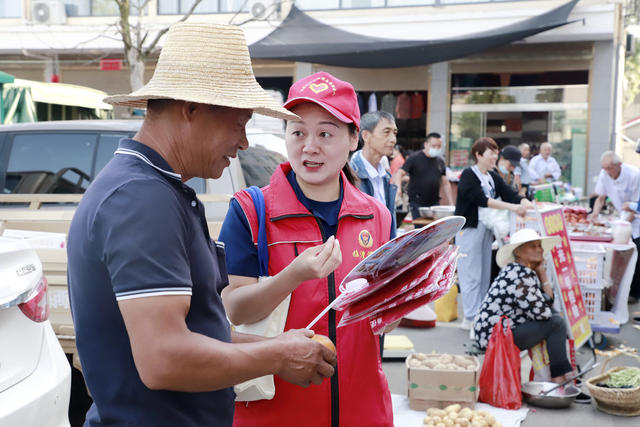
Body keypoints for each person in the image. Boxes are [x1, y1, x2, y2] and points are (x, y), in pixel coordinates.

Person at [66, 24, 336, 426]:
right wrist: (277, 355)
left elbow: (199, 330)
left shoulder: (156, 188)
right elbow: (164, 358)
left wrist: (276, 346)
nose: (244, 142)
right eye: (238, 122)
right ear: (190, 108)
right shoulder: (141, 197)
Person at [219, 71, 394, 427]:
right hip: (273, 413)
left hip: (363, 410)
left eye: (326, 133)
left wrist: (412, 290)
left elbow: (384, 320)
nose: (309, 146)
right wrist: (294, 275)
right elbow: (233, 309)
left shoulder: (377, 216)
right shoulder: (252, 211)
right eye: (298, 132)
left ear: (353, 139)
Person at [473, 229, 574, 384]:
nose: (539, 250)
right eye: (532, 247)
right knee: (556, 323)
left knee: (554, 317)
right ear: (518, 252)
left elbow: (547, 302)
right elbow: (543, 314)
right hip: (494, 337)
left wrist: (542, 273)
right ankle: (559, 378)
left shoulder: (518, 270)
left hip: (495, 331)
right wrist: (542, 275)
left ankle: (560, 374)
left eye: (539, 246)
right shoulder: (520, 275)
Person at [454, 137, 532, 329]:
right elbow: (481, 200)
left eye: (496, 153)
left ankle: (480, 314)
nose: (494, 157)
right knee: (470, 272)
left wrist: (523, 202)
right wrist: (514, 207)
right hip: (469, 229)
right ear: (478, 155)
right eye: (491, 153)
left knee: (483, 273)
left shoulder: (492, 176)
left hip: (486, 230)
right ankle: (470, 317)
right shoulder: (468, 175)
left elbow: (509, 193)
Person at [593, 151, 640, 303]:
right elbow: (601, 198)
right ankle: (616, 291)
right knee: (619, 256)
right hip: (622, 218)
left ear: (619, 165)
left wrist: (625, 224)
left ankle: (634, 293)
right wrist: (594, 214)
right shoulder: (604, 174)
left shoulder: (634, 175)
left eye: (610, 168)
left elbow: (636, 206)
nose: (607, 172)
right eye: (604, 168)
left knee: (636, 255)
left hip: (636, 218)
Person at [350, 110, 399, 235]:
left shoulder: (385, 177)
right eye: (386, 132)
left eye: (395, 133)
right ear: (366, 136)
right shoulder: (350, 174)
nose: (393, 139)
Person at [394, 132, 454, 221]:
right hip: (417, 203)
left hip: (435, 203)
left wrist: (451, 202)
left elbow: (445, 183)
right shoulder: (414, 158)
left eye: (439, 146)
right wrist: (398, 188)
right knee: (421, 230)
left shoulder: (440, 161)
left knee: (435, 230)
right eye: (434, 146)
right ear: (426, 144)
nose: (437, 148)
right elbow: (399, 173)